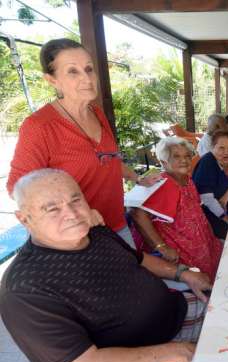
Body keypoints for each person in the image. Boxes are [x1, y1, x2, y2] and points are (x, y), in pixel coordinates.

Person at [0, 169, 211, 362]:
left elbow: (138, 258)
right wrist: (174, 352)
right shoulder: (24, 288)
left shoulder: (95, 232)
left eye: (76, 200)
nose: (73, 215)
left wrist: (182, 273)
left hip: (179, 312)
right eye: (52, 209)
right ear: (24, 219)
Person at [6, 38, 159, 248]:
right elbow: (17, 187)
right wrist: (79, 213)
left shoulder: (96, 113)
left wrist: (137, 178)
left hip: (115, 224)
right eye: (73, 71)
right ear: (52, 80)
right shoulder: (40, 126)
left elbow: (107, 160)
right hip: (77, 239)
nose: (87, 78)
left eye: (89, 69)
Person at [131, 137, 223, 280]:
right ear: (163, 162)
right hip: (181, 252)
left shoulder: (187, 179)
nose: (184, 160)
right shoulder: (162, 183)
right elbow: (137, 214)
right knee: (201, 279)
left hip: (204, 243)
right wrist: (162, 247)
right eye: (176, 156)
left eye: (187, 156)